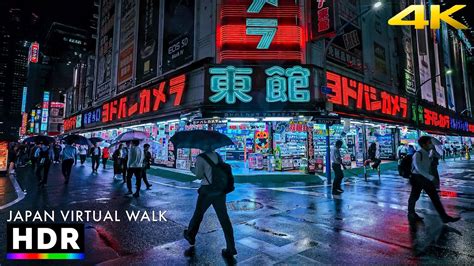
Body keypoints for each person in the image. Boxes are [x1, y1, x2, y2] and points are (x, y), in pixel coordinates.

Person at [184, 148, 237, 259]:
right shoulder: (218, 156)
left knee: (198, 214)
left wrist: (192, 169)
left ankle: (190, 235)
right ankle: (231, 247)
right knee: (224, 219)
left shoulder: (200, 157)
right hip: (220, 191)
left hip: (207, 191)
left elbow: (199, 176)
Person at [408, 136, 460, 223]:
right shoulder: (418, 154)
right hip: (417, 178)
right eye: (429, 143)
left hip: (425, 178)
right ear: (424, 145)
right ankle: (411, 213)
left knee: (435, 197)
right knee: (414, 196)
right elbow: (419, 168)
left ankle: (444, 217)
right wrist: (431, 177)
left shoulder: (428, 153)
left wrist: (435, 151)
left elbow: (439, 155)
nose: (431, 144)